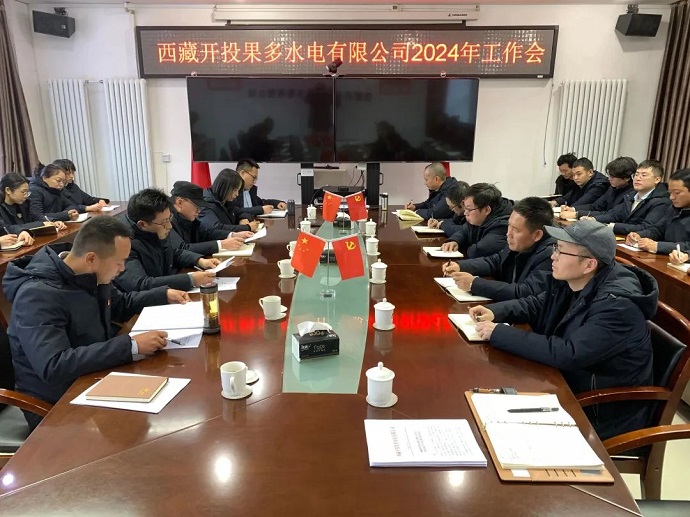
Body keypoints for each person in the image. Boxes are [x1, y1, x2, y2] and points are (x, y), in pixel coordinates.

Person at [470, 220, 657, 441]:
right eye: (555, 247)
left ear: (589, 264)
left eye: (561, 251)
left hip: (598, 410)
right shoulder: (579, 278)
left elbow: (569, 353)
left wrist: (499, 332)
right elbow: (538, 303)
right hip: (566, 383)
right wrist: (496, 312)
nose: (553, 256)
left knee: (493, 429)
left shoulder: (617, 306)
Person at [2, 217, 191, 429]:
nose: (122, 269)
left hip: (94, 375)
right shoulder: (37, 295)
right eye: (119, 262)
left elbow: (121, 303)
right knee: (139, 430)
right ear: (91, 258)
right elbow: (54, 365)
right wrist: (130, 345)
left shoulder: (89, 274)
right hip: (57, 404)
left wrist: (163, 294)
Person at [442, 197, 555, 301]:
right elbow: (495, 261)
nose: (508, 233)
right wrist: (460, 266)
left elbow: (524, 292)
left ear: (537, 235)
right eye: (509, 226)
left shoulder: (551, 255)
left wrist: (474, 284)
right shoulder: (520, 243)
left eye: (515, 229)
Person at [114, 189, 218, 293]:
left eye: (169, 218)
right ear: (142, 224)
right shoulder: (122, 242)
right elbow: (140, 284)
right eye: (164, 222)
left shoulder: (156, 229)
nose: (169, 226)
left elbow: (172, 252)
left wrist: (199, 261)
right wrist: (190, 280)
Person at [582, 160, 670, 235]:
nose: (638, 178)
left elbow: (646, 228)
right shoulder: (631, 195)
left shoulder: (661, 201)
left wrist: (611, 226)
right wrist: (593, 219)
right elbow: (615, 214)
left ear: (657, 179)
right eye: (636, 175)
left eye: (643, 175)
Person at [169, 181, 251, 255]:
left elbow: (206, 233)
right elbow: (182, 248)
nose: (199, 211)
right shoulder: (167, 220)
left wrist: (232, 235)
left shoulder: (187, 217)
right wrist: (221, 245)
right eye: (197, 206)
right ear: (180, 202)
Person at [441, 183, 513, 258]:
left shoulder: (503, 226)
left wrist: (465, 245)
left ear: (486, 210)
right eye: (465, 208)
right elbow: (464, 231)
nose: (465, 213)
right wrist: (455, 241)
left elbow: (476, 251)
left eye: (469, 209)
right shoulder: (479, 217)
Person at [628, 168, 690, 255]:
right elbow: (658, 230)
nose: (671, 197)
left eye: (676, 193)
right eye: (670, 192)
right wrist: (639, 235)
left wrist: (658, 246)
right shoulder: (673, 208)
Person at [559, 156, 636, 219]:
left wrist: (577, 214)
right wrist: (573, 209)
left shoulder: (632, 194)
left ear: (626, 178)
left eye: (613, 177)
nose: (609, 179)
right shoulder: (612, 188)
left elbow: (610, 214)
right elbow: (595, 206)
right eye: (609, 176)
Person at [199, 168, 259, 235]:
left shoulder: (225, 200)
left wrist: (243, 218)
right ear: (225, 188)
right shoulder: (206, 204)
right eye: (235, 190)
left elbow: (240, 211)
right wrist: (247, 227)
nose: (237, 194)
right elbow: (216, 228)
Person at [0, 173, 41, 247]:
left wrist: (51, 221)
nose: (26, 196)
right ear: (8, 190)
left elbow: (36, 216)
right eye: (23, 192)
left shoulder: (24, 204)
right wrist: (21, 231)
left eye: (27, 192)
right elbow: (5, 227)